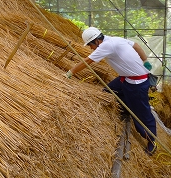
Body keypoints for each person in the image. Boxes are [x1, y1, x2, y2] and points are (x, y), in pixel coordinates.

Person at [65, 27, 157, 155]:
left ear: (97, 41)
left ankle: (152, 140)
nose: (90, 48)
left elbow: (87, 61)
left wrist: (71, 72)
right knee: (108, 92)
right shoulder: (115, 39)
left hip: (137, 83)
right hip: (126, 78)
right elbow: (136, 45)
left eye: (90, 45)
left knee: (141, 113)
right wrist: (145, 60)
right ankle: (126, 106)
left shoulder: (106, 46)